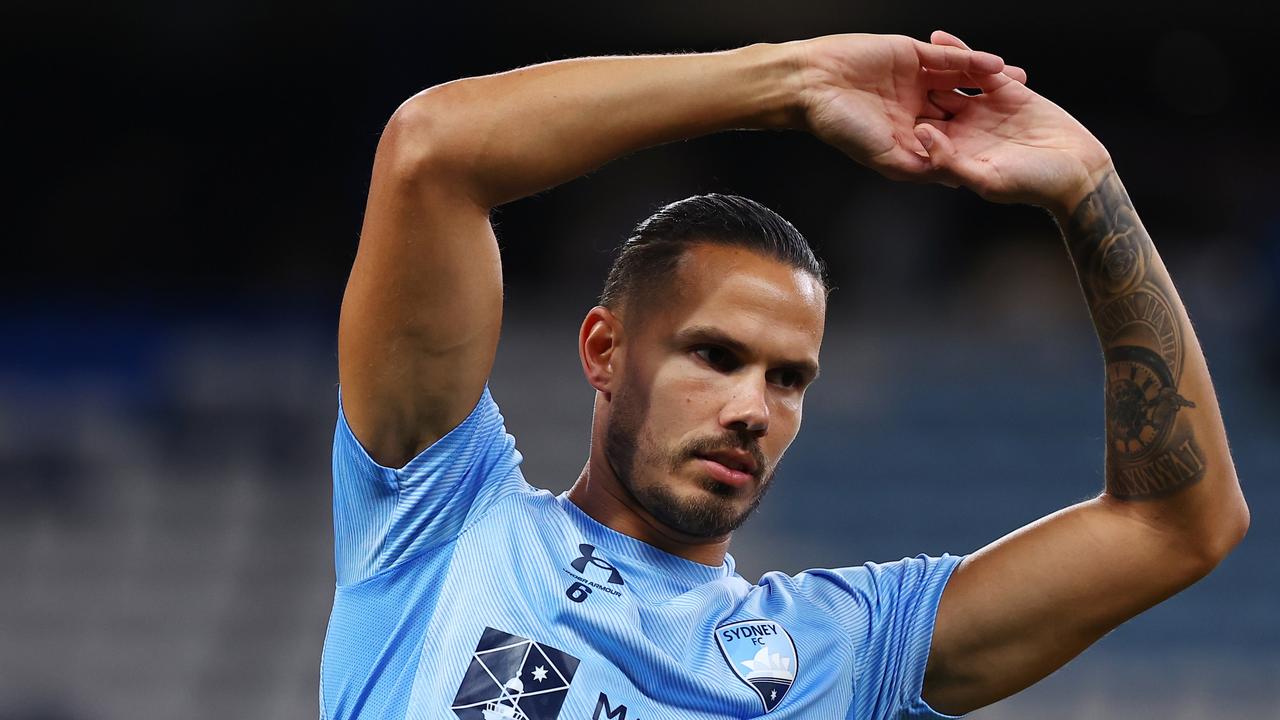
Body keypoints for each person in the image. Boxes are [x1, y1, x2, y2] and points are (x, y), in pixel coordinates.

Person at [320, 29, 1249, 719]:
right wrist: (788, 80)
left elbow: (1176, 525)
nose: (751, 408)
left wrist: (1090, 191)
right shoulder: (440, 520)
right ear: (604, 351)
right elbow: (431, 152)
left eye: (789, 378)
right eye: (714, 355)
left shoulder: (840, 651)